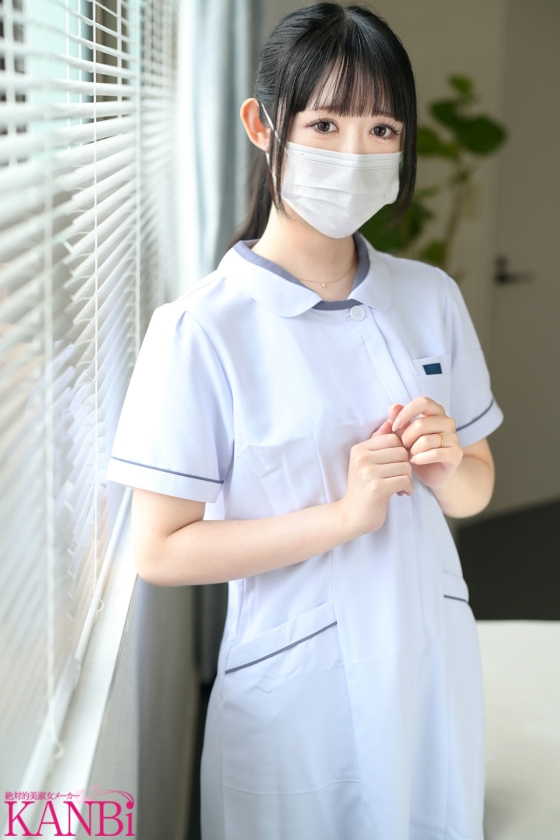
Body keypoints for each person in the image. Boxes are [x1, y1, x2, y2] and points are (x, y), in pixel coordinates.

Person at [106, 4, 503, 838]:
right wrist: (344, 517)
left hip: (431, 671)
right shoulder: (201, 330)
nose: (354, 154)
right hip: (295, 698)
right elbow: (160, 551)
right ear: (262, 126)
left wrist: (448, 465)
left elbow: (475, 490)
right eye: (325, 123)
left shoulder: (431, 297)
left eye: (382, 129)